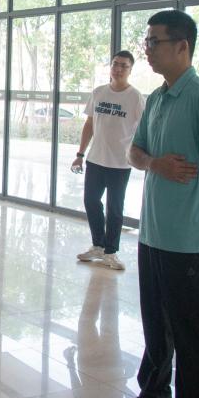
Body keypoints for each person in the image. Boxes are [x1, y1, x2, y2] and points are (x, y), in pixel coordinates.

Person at [118, 10, 199, 398]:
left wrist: (197, 201)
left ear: (182, 46)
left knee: (191, 333)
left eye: (155, 42)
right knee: (156, 323)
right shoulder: (157, 98)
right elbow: (135, 151)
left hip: (188, 239)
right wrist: (156, 164)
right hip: (153, 232)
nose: (147, 50)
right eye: (147, 42)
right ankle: (153, 395)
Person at [73, 50, 146, 271]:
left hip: (120, 163)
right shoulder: (98, 92)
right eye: (115, 64)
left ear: (130, 70)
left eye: (124, 65)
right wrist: (80, 154)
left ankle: (111, 252)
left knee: (115, 208)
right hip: (96, 159)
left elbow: (144, 130)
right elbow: (89, 124)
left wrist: (141, 155)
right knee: (91, 201)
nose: (118, 69)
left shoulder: (135, 97)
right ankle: (98, 245)